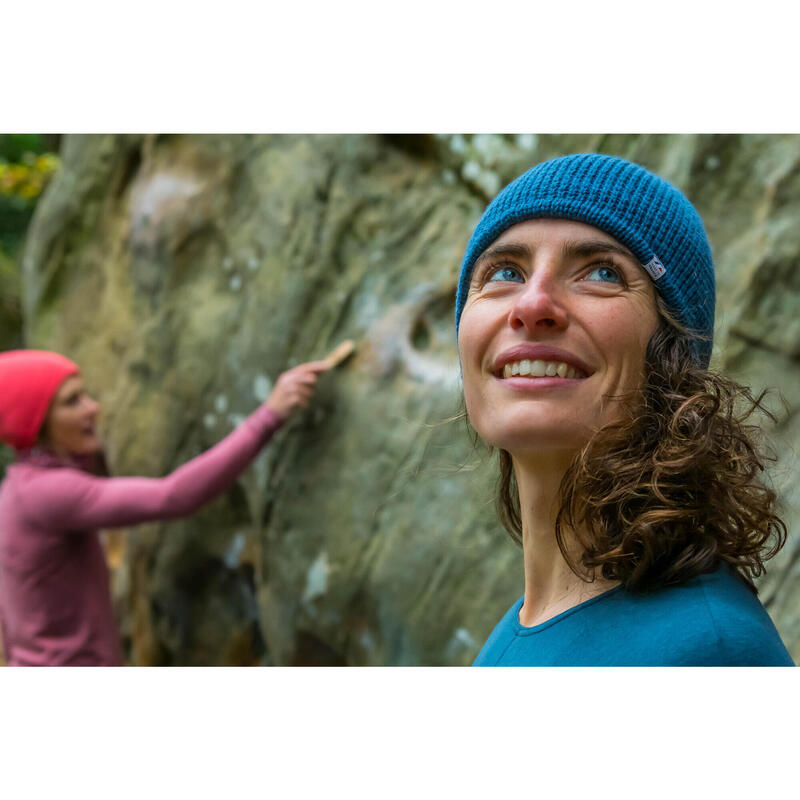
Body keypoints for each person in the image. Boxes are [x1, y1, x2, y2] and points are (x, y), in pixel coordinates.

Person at [455, 153, 794, 666]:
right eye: (505, 271)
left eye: (602, 273)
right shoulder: (524, 626)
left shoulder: (709, 649)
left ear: (675, 356)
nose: (531, 305)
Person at [0, 349, 328, 666]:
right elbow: (172, 497)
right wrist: (269, 416)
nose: (93, 408)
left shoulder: (16, 490)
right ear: (37, 421)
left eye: (85, 395)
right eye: (72, 402)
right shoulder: (48, 494)